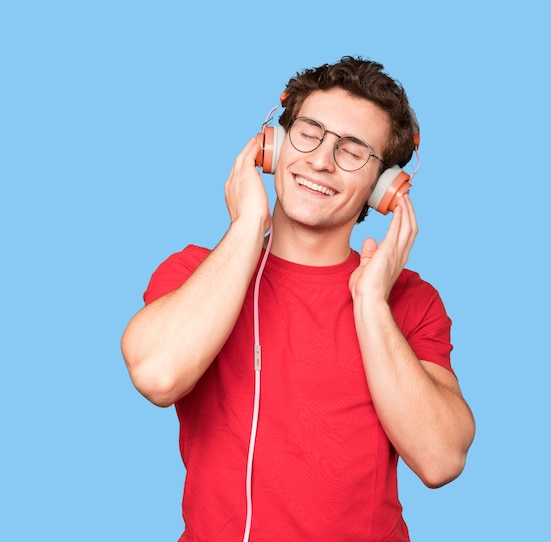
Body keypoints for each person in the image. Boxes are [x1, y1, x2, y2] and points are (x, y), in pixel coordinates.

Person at [121, 56, 475, 541]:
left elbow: (441, 459)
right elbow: (158, 376)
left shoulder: (411, 301)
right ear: (273, 145)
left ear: (383, 190)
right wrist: (248, 226)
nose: (322, 160)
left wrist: (371, 303)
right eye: (309, 132)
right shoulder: (194, 272)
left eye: (354, 151)